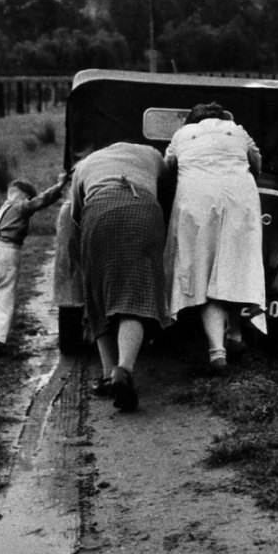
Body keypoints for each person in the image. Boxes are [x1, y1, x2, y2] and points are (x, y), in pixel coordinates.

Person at [164, 102, 266, 375]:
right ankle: (235, 336)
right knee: (231, 265)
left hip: (196, 202)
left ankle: (217, 352)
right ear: (222, 118)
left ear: (193, 120)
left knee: (204, 272)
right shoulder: (238, 131)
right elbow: (256, 164)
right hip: (239, 199)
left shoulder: (182, 135)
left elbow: (168, 169)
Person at [70, 141, 172, 412]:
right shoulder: (151, 155)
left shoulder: (85, 165)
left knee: (98, 297)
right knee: (136, 296)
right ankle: (124, 369)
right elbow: (170, 188)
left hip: (99, 211)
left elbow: (75, 214)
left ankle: (107, 375)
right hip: (144, 211)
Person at [0, 174, 68, 356]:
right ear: (24, 196)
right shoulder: (20, 205)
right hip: (6, 252)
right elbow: (41, 200)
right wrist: (60, 185)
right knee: (3, 299)